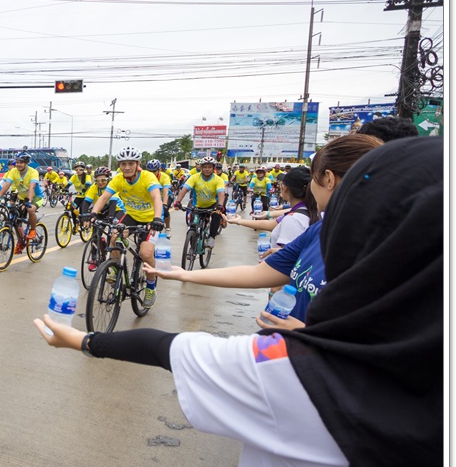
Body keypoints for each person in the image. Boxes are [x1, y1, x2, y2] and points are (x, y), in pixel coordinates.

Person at [35, 135, 443, 467]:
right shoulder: (325, 238)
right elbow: (264, 270)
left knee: (148, 247)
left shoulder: (289, 372)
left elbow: (164, 347)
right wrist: (182, 275)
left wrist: (81, 340)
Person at [145, 134, 383, 329]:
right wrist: (183, 275)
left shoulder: (384, 248)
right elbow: (258, 273)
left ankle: (209, 238)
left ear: (328, 179)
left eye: (313, 177)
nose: (309, 186)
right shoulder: (321, 230)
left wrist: (307, 333)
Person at [92, 146, 164, 306]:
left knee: (146, 254)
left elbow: (156, 198)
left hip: (151, 218)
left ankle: (151, 287)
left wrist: (157, 219)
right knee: (114, 237)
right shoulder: (118, 179)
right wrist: (93, 214)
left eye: (131, 163)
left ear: (138, 164)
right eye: (123, 164)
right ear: (119, 165)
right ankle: (115, 269)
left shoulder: (148, 177)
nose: (127, 167)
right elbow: (104, 197)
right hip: (131, 215)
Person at [225, 166, 315, 256]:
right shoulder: (308, 209)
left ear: (285, 188)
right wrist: (239, 221)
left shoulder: (293, 220)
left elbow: (287, 258)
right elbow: (271, 224)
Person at [172, 156, 226, 250]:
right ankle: (192, 247)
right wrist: (178, 202)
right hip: (197, 205)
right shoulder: (194, 177)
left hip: (212, 205)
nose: (207, 169)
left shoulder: (218, 180)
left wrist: (220, 205)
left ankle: (211, 237)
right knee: (192, 226)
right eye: (205, 167)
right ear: (201, 168)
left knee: (217, 215)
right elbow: (184, 189)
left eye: (209, 167)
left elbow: (221, 193)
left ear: (213, 168)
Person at [0, 152, 44, 250]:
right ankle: (21, 241)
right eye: (17, 162)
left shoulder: (33, 172)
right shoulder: (13, 171)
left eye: (21, 162)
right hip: (22, 198)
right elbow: (6, 185)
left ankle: (33, 230)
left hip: (36, 197)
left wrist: (29, 201)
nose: (18, 164)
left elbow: (32, 187)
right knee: (16, 221)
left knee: (30, 209)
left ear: (26, 163)